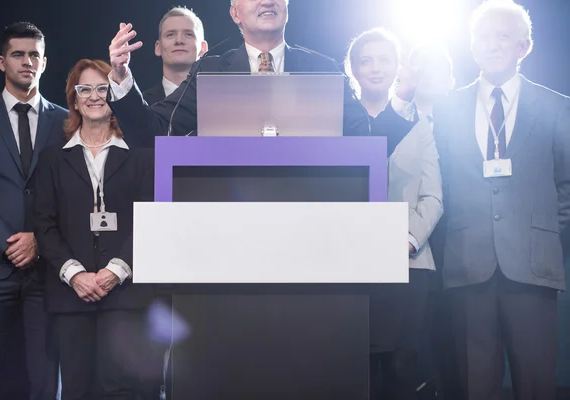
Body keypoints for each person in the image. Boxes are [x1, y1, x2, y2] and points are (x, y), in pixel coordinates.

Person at [430, 0, 570, 398]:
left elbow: (568, 184)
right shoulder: (446, 108)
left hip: (533, 266)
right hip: (466, 263)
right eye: (482, 38)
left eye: (502, 37)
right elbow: (437, 181)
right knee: (473, 386)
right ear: (471, 46)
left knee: (536, 384)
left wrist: (541, 232)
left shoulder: (558, 108)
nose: (491, 46)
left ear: (524, 47)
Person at [106, 0, 418, 152]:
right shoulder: (211, 70)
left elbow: (368, 145)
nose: (267, 0)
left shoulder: (323, 69)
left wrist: (402, 99)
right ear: (235, 13)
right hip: (230, 224)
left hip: (311, 222)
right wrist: (121, 77)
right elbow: (154, 133)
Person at [33, 59, 156, 399]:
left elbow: (152, 217)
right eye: (84, 89)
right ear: (73, 100)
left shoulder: (142, 155)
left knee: (123, 387)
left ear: (114, 94)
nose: (94, 96)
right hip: (71, 296)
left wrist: (116, 270)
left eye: (102, 88)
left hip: (127, 294)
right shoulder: (52, 159)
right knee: (77, 388)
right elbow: (44, 224)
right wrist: (75, 275)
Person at [346, 29, 450, 399]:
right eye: (366, 60)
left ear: (399, 68)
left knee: (404, 371)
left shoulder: (420, 125)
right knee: (354, 370)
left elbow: (433, 196)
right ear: (352, 69)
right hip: (349, 263)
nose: (375, 68)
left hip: (409, 260)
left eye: (385, 59)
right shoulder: (341, 120)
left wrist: (408, 240)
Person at [0, 21, 66, 400]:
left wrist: (39, 241)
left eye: (34, 56)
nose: (27, 61)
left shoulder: (65, 121)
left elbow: (70, 193)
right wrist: (9, 243)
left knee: (45, 378)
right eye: (18, 54)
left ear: (44, 63)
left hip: (48, 270)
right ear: (1, 62)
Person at [142, 7, 208, 105]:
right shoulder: (140, 105)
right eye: (170, 35)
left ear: (203, 48)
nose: (179, 41)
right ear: (158, 47)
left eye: (188, 34)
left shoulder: (220, 101)